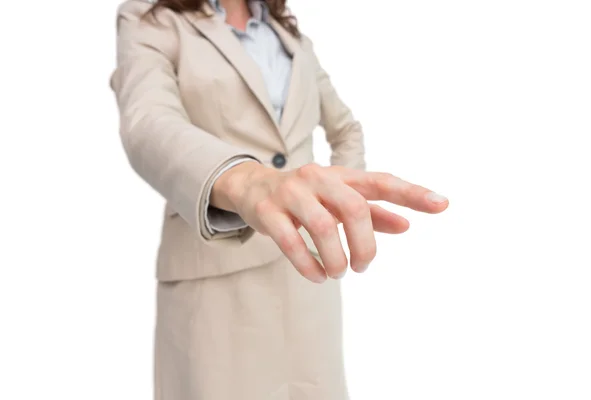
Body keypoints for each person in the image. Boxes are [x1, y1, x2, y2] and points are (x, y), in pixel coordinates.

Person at [110, 0, 449, 398]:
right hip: (215, 274)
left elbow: (346, 128)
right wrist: (246, 180)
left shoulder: (290, 36)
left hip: (308, 266)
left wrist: (340, 195)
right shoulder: (152, 19)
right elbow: (147, 121)